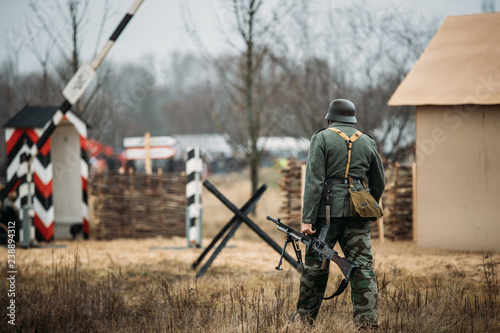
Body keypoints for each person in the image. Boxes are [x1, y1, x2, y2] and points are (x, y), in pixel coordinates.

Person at [296, 99, 385, 329]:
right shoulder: (367, 141)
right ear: (353, 120)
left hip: (326, 214)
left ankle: (304, 322)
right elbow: (379, 182)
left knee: (316, 267)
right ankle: (367, 324)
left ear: (330, 119)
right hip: (358, 214)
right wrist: (367, 203)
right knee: (363, 267)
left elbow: (314, 181)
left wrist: (307, 219)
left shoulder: (322, 138)